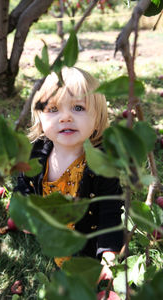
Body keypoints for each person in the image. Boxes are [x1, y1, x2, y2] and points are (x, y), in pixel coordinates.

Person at [14, 67, 123, 279]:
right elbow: (23, 184)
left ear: (97, 118)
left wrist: (109, 254)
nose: (65, 117)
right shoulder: (36, 153)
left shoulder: (102, 165)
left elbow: (109, 212)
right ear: (40, 118)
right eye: (53, 109)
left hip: (85, 246)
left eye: (78, 108)